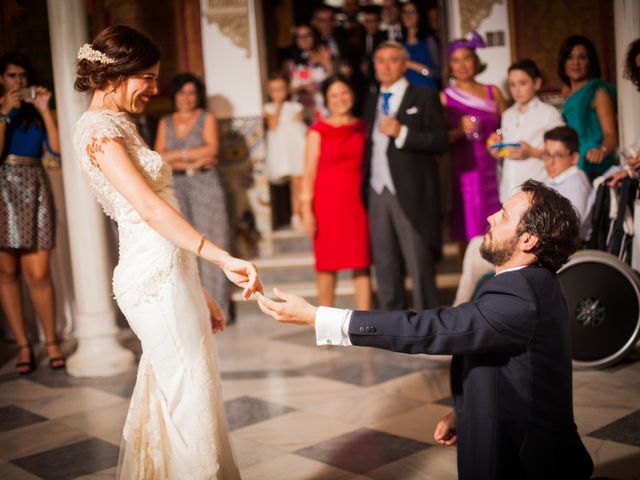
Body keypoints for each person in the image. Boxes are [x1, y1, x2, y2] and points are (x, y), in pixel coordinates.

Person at [256, 179, 594, 480]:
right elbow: (506, 367)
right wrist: (464, 410)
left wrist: (321, 318)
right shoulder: (531, 283)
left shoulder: (520, 296)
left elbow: (431, 329)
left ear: (529, 239)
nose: (491, 217)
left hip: (522, 455)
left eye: (504, 215)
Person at [73, 25, 261, 477]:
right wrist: (222, 257)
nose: (155, 89)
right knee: (187, 396)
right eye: (148, 78)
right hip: (150, 280)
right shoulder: (98, 130)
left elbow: (162, 212)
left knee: (186, 392)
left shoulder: (122, 123)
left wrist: (201, 291)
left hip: (172, 275)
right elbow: (148, 209)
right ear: (117, 72)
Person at [362, 41, 448, 310]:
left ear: (404, 64)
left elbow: (440, 141)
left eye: (392, 60)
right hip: (377, 190)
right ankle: (392, 324)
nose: (386, 66)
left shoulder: (423, 96)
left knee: (418, 261)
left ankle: (428, 323)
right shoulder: (370, 100)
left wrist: (403, 133)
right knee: (385, 263)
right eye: (380, 60)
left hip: (412, 192)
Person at [0, 52, 64, 373]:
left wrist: (45, 111)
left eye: (22, 76)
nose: (19, 81)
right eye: (12, 76)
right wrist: (4, 113)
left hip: (35, 187)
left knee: (38, 273)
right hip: (2, 190)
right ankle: (24, 346)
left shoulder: (35, 114)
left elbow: (57, 149)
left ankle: (52, 341)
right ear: (1, 79)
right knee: (7, 273)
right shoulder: (2, 112)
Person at [154, 73, 232, 322]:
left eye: (191, 93)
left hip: (205, 183)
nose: (186, 98)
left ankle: (219, 311)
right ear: (173, 96)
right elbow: (159, 156)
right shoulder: (165, 122)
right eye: (181, 93)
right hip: (176, 185)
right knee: (182, 245)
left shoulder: (206, 118)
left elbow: (212, 150)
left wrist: (176, 155)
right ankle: (194, 311)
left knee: (212, 241)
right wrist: (192, 156)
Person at [301, 75, 371, 309]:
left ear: (352, 96)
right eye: (334, 95)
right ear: (326, 100)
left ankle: (366, 324)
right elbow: (308, 174)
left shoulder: (363, 128)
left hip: (357, 204)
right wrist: (306, 211)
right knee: (326, 266)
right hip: (326, 205)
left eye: (345, 93)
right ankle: (326, 326)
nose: (340, 99)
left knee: (361, 263)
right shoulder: (317, 131)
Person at [442, 32, 507, 244]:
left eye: (467, 58)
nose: (462, 65)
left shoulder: (492, 92)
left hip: (493, 169)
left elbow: (511, 126)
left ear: (476, 61)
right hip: (464, 171)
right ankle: (470, 275)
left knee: (498, 226)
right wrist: (459, 131)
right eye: (456, 60)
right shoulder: (444, 97)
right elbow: (440, 139)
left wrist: (499, 137)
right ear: (450, 65)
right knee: (467, 228)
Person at [488, 58, 564, 202]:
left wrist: (531, 152)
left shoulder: (549, 114)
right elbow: (508, 151)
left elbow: (561, 153)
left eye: (523, 83)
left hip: (536, 194)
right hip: (508, 192)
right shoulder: (507, 115)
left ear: (536, 83)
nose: (517, 90)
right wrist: (498, 150)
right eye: (512, 85)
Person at [559, 35, 618, 181]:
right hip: (573, 163)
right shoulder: (566, 93)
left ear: (590, 62)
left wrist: (601, 151)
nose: (576, 62)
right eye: (570, 57)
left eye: (582, 57)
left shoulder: (598, 92)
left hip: (595, 164)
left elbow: (611, 135)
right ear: (563, 63)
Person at [263, 73, 307, 230]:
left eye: (281, 89)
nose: (278, 93)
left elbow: (301, 127)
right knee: (293, 185)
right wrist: (278, 105)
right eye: (274, 90)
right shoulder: (269, 108)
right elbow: (273, 126)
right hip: (282, 150)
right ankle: (296, 215)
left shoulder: (295, 106)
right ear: (269, 92)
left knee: (299, 183)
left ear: (287, 90)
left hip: (296, 147)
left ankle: (299, 214)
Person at [543, 126, 592, 239]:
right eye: (547, 154)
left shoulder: (575, 182)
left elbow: (571, 227)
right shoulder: (558, 178)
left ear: (574, 158)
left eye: (559, 155)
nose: (550, 162)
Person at [284, 24, 333, 124]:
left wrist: (327, 62)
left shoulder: (323, 54)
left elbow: (333, 81)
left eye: (307, 35)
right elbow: (285, 89)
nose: (304, 39)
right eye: (300, 36)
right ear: (295, 40)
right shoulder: (290, 62)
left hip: (320, 107)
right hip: (299, 109)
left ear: (313, 37)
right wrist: (301, 88)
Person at [399, 2, 438, 90]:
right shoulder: (400, 45)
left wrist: (411, 64)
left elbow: (437, 73)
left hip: (426, 91)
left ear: (419, 15)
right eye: (404, 12)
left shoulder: (428, 41)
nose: (407, 15)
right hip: (406, 93)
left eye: (412, 11)